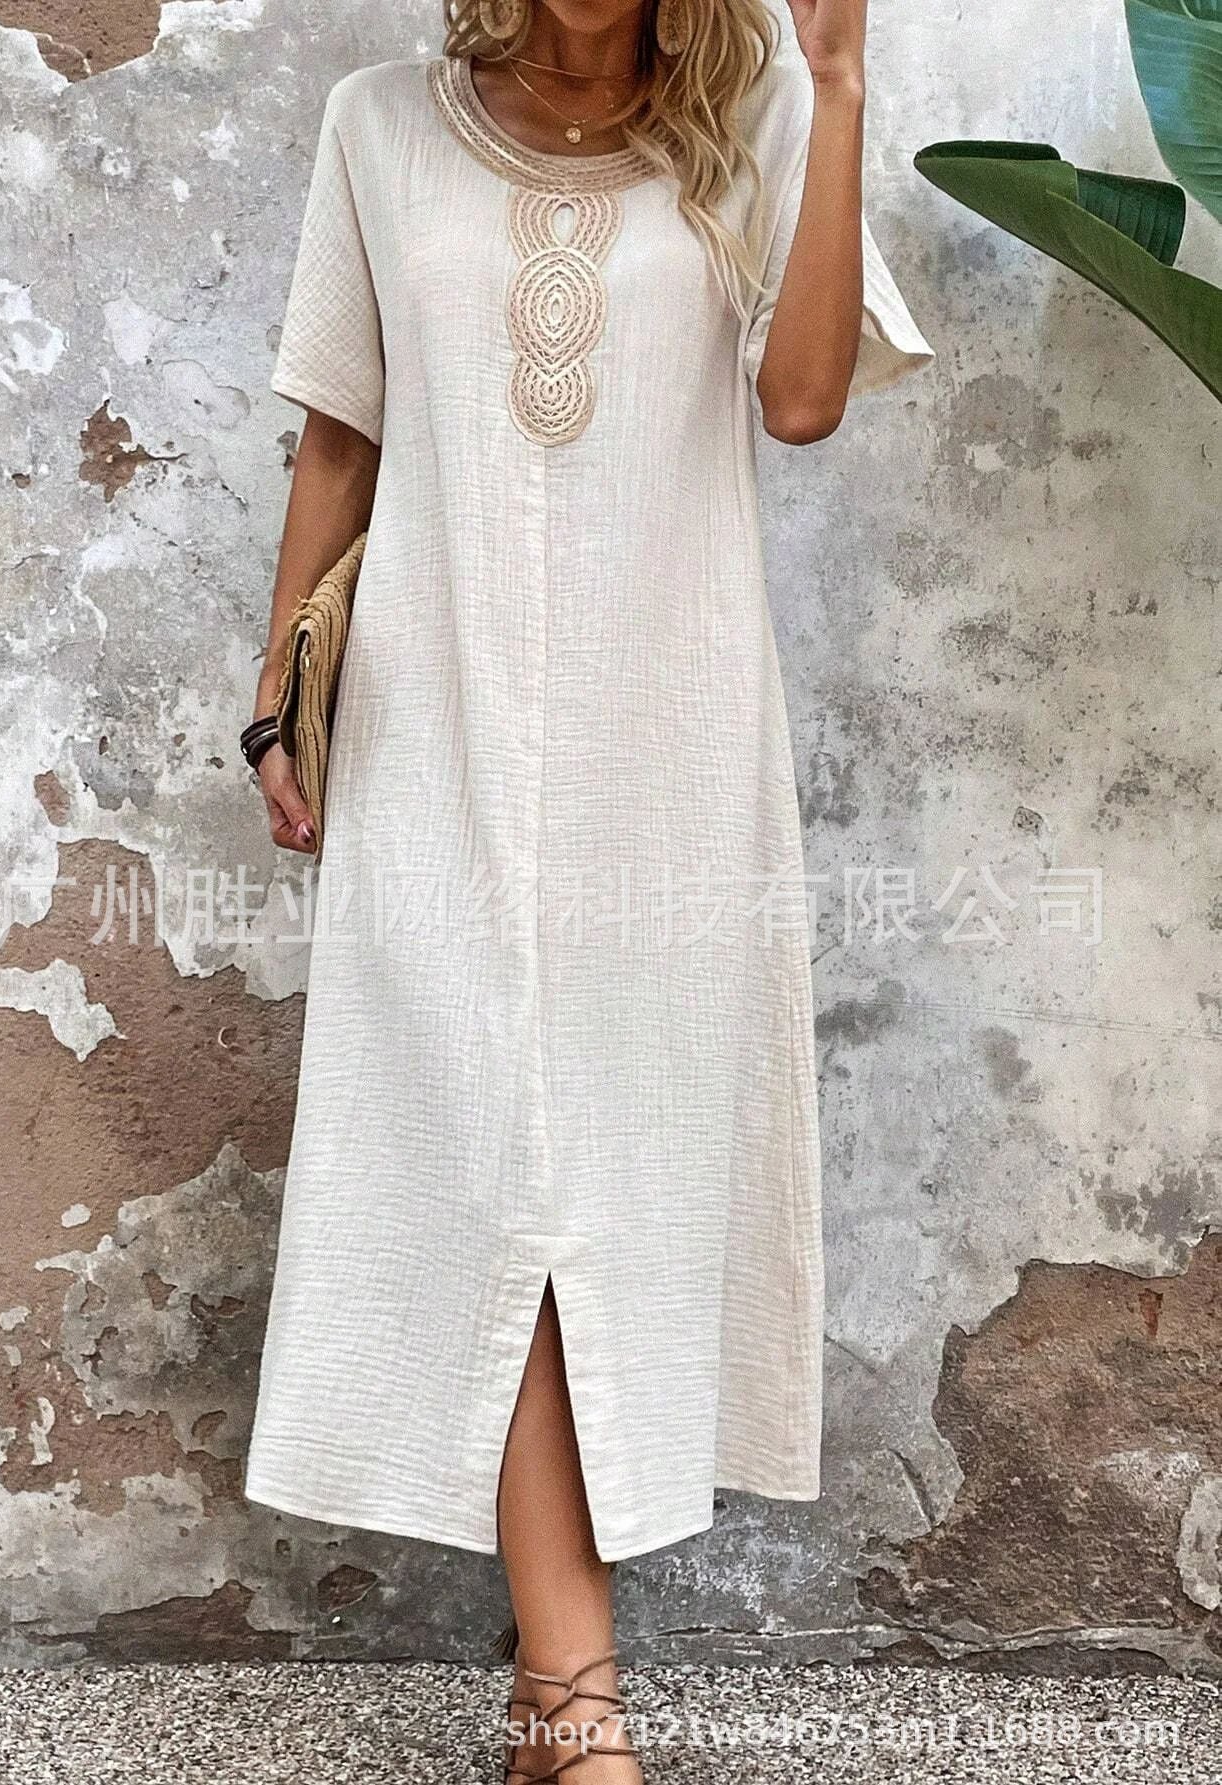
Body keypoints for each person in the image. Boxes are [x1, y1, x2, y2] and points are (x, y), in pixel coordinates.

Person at [241, 2, 933, 1777]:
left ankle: (560, 1701)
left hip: (665, 739)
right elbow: (340, 435)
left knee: (603, 1174)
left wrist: (839, 81)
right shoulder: (381, 126)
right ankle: (579, 1699)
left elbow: (802, 400)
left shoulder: (759, 121)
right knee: (490, 1154)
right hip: (438, 727)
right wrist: (278, 701)